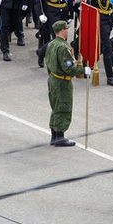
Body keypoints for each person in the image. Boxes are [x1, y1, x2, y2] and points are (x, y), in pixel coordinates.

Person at [45, 19, 86, 147]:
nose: (68, 30)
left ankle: (54, 136)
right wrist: (84, 70)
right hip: (62, 82)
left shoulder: (51, 44)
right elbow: (68, 68)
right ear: (62, 31)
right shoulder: (63, 47)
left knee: (55, 107)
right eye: (67, 29)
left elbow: (48, 62)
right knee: (63, 107)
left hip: (53, 78)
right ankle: (60, 138)